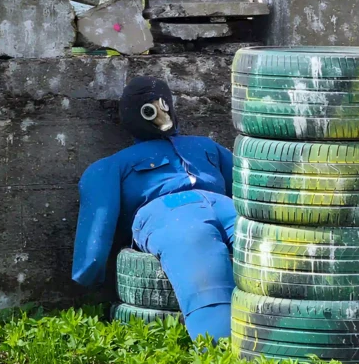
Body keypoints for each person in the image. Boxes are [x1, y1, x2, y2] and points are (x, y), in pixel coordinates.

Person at [71, 76, 236, 340]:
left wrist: (89, 271)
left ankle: (294, 323)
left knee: (262, 243)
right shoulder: (112, 166)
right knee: (199, 248)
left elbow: (247, 185)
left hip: (208, 208)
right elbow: (96, 230)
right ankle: (222, 345)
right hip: (169, 212)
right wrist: (89, 268)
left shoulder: (207, 147)